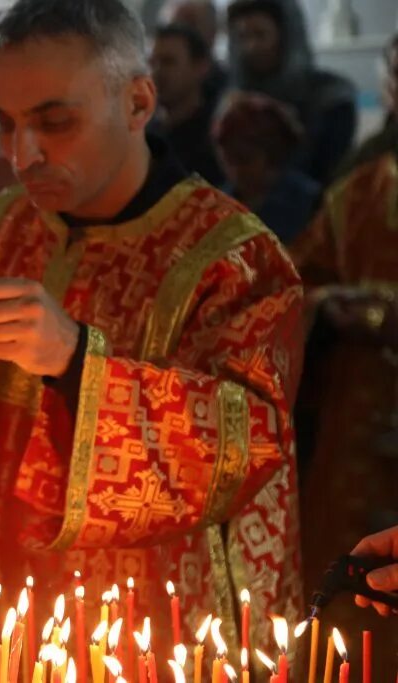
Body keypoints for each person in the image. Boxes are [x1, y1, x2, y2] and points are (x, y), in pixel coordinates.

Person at [0, 0, 305, 658]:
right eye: (5, 124)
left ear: (137, 103)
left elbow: (248, 445)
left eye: (54, 121)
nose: (23, 154)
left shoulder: (233, 261)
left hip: (154, 636)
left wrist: (81, 364)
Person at [289, 35, 398, 670]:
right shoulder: (356, 193)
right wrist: (333, 305)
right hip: (361, 421)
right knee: (351, 609)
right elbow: (294, 285)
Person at [226, 0, 356, 184]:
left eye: (260, 35)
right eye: (242, 37)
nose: (251, 47)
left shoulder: (331, 98)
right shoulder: (231, 100)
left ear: (286, 36)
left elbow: (329, 176)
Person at [213, 93, 320, 244]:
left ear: (274, 154)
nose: (235, 170)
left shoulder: (312, 204)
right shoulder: (215, 205)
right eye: (227, 159)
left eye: (244, 159)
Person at [147, 24, 225, 185]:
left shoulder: (217, 138)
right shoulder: (143, 134)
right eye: (152, 62)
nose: (157, 71)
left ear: (200, 67)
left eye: (168, 62)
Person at [160, 0, 229, 101]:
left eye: (190, 26)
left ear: (212, 32)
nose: (181, 37)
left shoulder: (227, 93)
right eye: (175, 28)